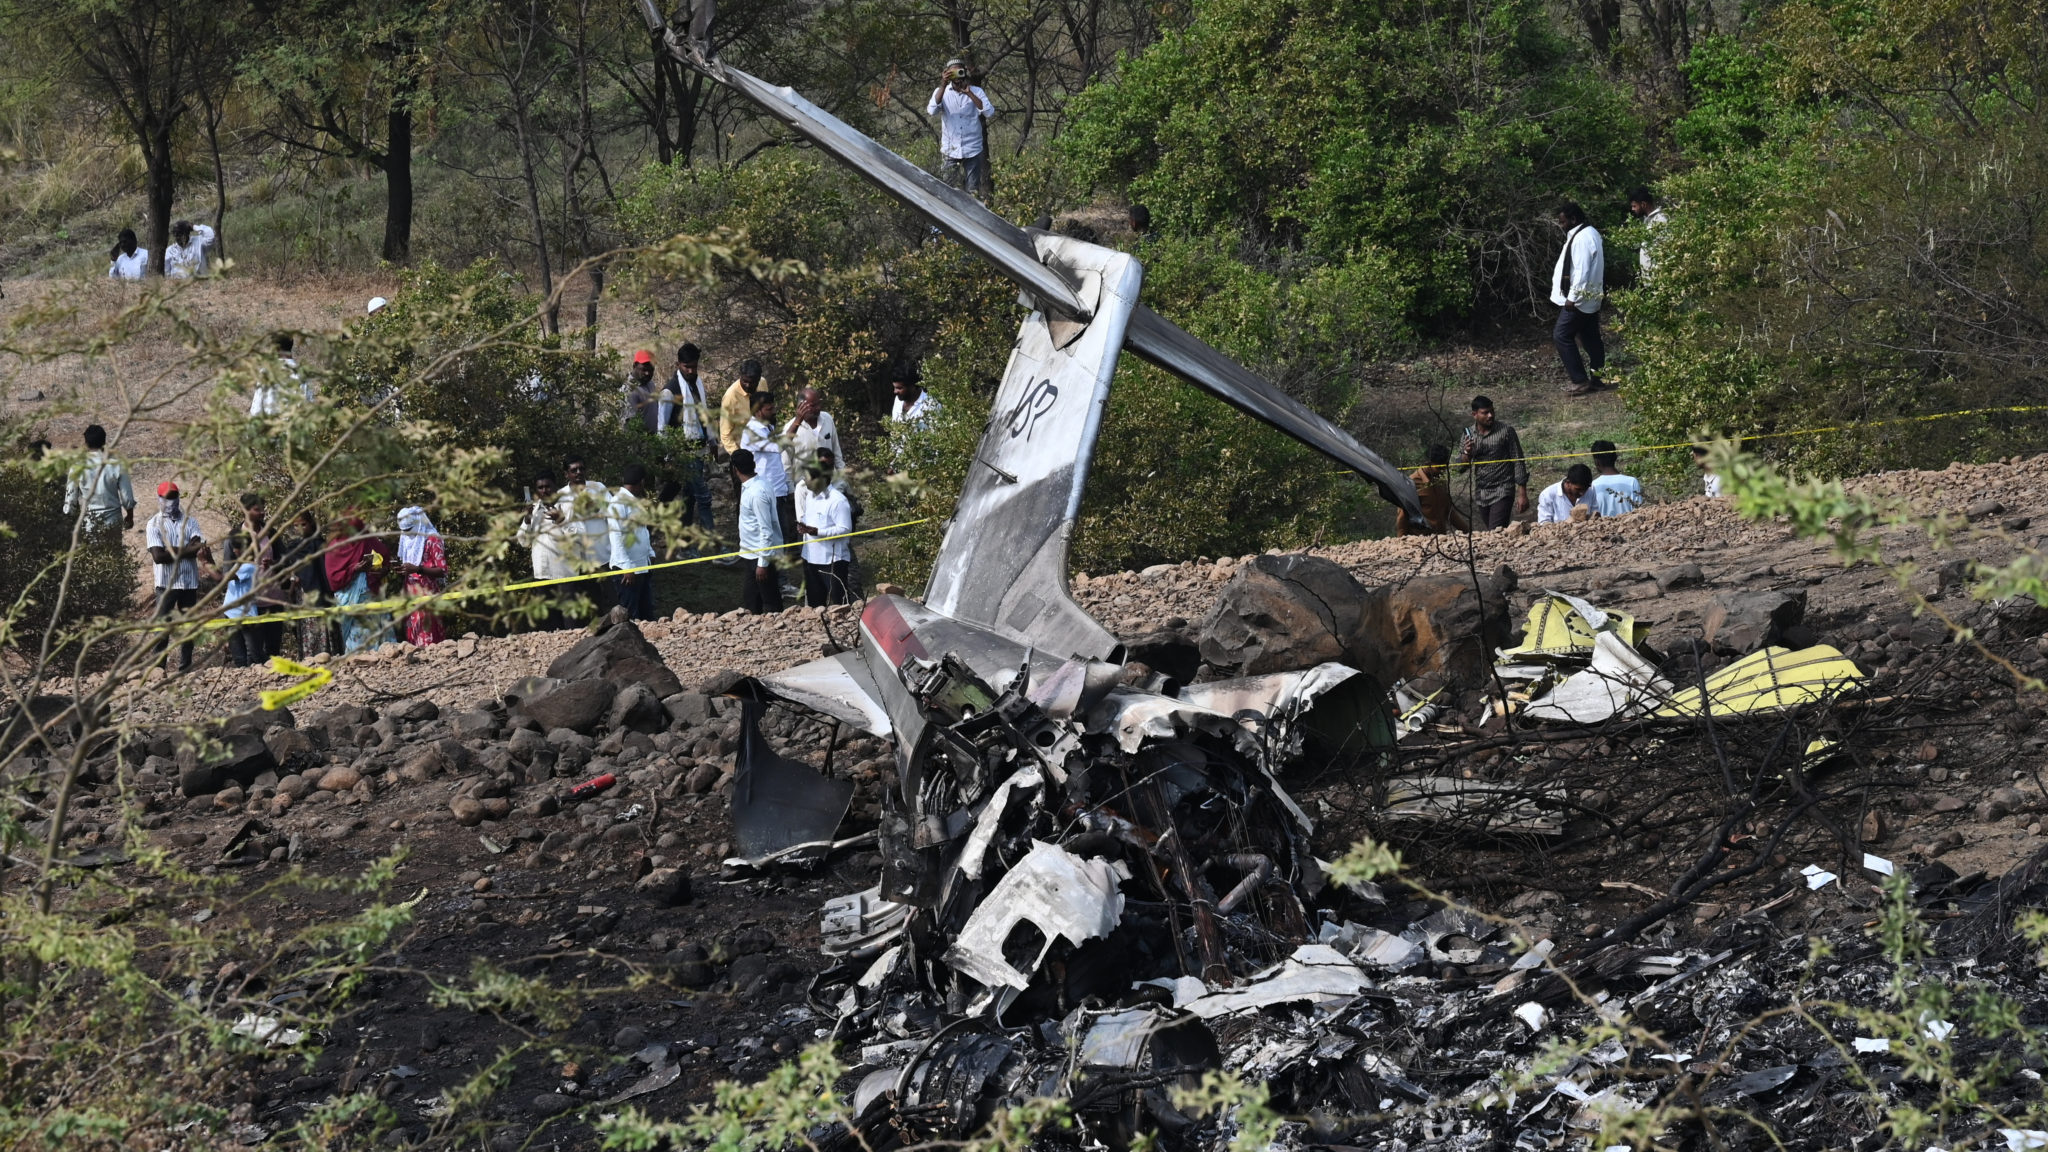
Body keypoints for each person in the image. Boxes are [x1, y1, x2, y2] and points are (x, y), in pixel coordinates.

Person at [145, 482, 213, 671]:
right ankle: (159, 669)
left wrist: (171, 550)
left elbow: (197, 548)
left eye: (173, 496)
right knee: (162, 629)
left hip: (188, 582)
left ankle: (185, 668)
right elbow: (158, 557)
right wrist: (187, 550)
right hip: (165, 583)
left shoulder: (190, 522)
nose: (170, 501)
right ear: (159, 498)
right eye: (166, 497)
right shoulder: (153, 524)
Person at [1550, 201, 1606, 396]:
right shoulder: (1590, 233)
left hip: (1580, 300)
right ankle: (1598, 380)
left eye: (1563, 221)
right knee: (1591, 338)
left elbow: (1582, 271)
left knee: (1561, 335)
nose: (1561, 225)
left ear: (1573, 219)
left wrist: (1572, 298)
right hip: (1590, 297)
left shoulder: (1582, 238)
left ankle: (1580, 380)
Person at [223, 492, 284, 666]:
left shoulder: (271, 532)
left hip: (272, 600)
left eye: (263, 509)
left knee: (273, 652)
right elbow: (228, 571)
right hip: (248, 605)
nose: (263, 513)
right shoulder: (234, 536)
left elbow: (286, 560)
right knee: (251, 656)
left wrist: (274, 563)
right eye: (258, 509)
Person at [667, 343, 719, 541]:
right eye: (686, 367)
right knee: (704, 497)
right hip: (682, 451)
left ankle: (684, 543)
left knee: (688, 497)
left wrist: (712, 439)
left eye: (694, 367)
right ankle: (716, 546)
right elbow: (662, 425)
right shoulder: (670, 391)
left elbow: (703, 413)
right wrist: (668, 456)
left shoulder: (697, 383)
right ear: (678, 364)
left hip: (699, 447)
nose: (691, 371)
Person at [926, 59, 995, 200]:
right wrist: (943, 85)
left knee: (973, 192)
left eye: (960, 72)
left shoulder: (976, 91)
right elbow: (932, 110)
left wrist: (969, 93)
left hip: (972, 148)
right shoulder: (941, 92)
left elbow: (989, 112)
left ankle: (970, 219)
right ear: (947, 74)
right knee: (947, 190)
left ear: (965, 73)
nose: (957, 76)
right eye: (953, 73)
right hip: (950, 149)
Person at [741, 391, 799, 558]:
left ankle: (780, 580)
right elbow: (780, 446)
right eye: (769, 409)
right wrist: (798, 420)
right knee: (772, 537)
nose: (774, 411)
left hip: (777, 490)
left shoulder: (768, 426)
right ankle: (779, 580)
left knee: (781, 536)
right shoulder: (752, 431)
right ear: (758, 411)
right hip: (765, 493)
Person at [326, 515, 394, 654]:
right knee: (357, 638)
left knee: (377, 635)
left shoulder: (369, 540)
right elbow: (333, 576)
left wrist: (377, 570)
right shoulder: (336, 547)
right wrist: (354, 569)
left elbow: (385, 562)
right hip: (350, 601)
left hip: (372, 599)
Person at [1457, 396, 1528, 529]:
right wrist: (1467, 452)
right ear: (1475, 414)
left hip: (1503, 488)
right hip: (1481, 491)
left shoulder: (1505, 431)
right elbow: (1461, 467)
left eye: (1492, 411)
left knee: (1496, 529)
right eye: (1485, 413)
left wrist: (1522, 493)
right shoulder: (1468, 435)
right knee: (1494, 531)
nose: (1490, 415)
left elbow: (1518, 460)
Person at [797, 451, 855, 606]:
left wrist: (818, 532)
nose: (805, 482)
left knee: (839, 604)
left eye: (807, 478)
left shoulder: (837, 501)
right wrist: (803, 526)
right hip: (811, 558)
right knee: (816, 605)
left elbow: (845, 529)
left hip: (832, 561)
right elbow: (810, 519)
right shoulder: (810, 496)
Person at [278, 509, 335, 656]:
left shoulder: (319, 544)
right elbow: (288, 569)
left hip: (318, 591)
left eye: (304, 524)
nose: (301, 528)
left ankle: (325, 656)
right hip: (301, 594)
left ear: (311, 524)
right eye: (297, 525)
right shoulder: (292, 547)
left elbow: (324, 570)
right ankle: (309, 658)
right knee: (306, 627)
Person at [732, 448, 783, 614]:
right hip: (751, 554)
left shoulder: (756, 493)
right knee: (751, 601)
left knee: (770, 602)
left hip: (761, 556)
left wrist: (762, 564)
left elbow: (766, 530)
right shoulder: (753, 485)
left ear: (735, 469)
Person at [605, 463, 657, 620]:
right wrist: (626, 567)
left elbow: (641, 531)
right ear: (641, 482)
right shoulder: (618, 503)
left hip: (642, 567)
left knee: (646, 615)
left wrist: (650, 553)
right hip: (628, 571)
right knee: (630, 617)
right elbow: (616, 536)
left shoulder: (634, 501)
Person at [63, 424, 135, 533]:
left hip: (89, 521)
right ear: (104, 442)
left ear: (86, 443)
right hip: (113, 520)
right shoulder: (117, 464)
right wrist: (130, 516)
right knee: (114, 550)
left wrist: (70, 519)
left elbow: (71, 498)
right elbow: (127, 497)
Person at [397, 504, 447, 645]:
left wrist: (418, 569)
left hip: (427, 593)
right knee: (414, 634)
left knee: (428, 635)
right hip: (411, 594)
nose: (407, 533)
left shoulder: (432, 539)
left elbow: (442, 570)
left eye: (409, 530)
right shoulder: (406, 539)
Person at [1397, 445, 1469, 536]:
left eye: (1445, 467)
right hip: (1419, 540)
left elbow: (1449, 512)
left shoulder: (1441, 482)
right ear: (1428, 464)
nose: (1443, 471)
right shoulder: (1411, 483)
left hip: (1440, 538)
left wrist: (1468, 532)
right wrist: (1401, 541)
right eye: (1439, 468)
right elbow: (1403, 516)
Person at [520, 470, 576, 581]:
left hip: (565, 576)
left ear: (555, 486)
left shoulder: (568, 506)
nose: (544, 491)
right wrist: (527, 521)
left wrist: (561, 521)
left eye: (547, 486)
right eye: (540, 488)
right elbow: (523, 542)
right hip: (541, 576)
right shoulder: (533, 510)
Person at [561, 456, 611, 580]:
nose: (579, 472)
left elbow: (614, 513)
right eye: (574, 470)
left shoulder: (598, 487)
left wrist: (597, 508)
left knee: (612, 595)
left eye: (581, 469)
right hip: (578, 558)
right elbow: (559, 524)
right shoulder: (560, 495)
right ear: (566, 474)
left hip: (603, 554)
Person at [784, 386, 845, 485]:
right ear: (801, 406)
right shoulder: (789, 429)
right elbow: (786, 464)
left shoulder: (827, 419)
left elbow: (837, 452)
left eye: (819, 404)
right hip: (805, 488)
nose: (818, 408)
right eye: (813, 406)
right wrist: (791, 490)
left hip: (830, 484)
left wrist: (843, 478)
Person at [250, 333, 312, 415]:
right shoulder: (302, 373)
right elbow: (309, 406)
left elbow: (256, 410)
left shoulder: (266, 372)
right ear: (291, 345)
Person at [1587, 439, 1643, 517]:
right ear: (1615, 457)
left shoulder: (1593, 486)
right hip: (1628, 528)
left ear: (1597, 462)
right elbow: (1638, 512)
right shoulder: (1632, 482)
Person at [720, 359, 762, 454]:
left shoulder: (763, 384)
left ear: (758, 380)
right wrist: (739, 456)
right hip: (743, 451)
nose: (747, 385)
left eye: (751, 383)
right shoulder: (730, 397)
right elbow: (725, 435)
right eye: (744, 381)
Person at [1628, 186, 1669, 277]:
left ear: (1643, 204)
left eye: (1634, 206)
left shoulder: (1660, 220)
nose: (1633, 209)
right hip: (1650, 281)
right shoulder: (1648, 221)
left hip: (1659, 280)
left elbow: (1667, 250)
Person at [624, 350, 662, 430]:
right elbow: (629, 425)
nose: (647, 373)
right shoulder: (629, 390)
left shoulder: (650, 383)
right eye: (644, 369)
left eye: (651, 370)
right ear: (634, 366)